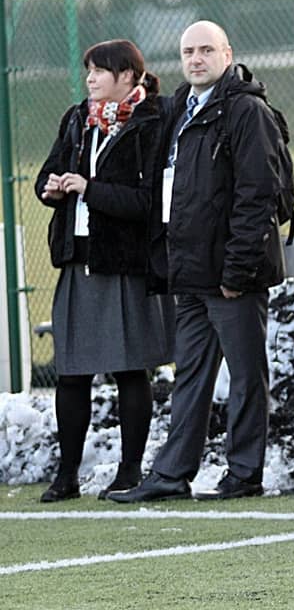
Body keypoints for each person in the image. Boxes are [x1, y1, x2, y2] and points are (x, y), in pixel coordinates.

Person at [110, 21, 286, 503]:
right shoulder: (179, 111)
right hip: (188, 272)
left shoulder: (246, 111)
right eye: (188, 51)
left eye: (207, 50)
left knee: (246, 375)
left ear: (227, 54)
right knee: (189, 374)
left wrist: (238, 270)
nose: (196, 59)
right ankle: (171, 474)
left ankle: (244, 474)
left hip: (231, 275)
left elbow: (258, 196)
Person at [35, 40, 175, 502]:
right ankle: (67, 475)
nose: (90, 79)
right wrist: (52, 188)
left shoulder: (152, 122)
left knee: (130, 370)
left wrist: (89, 189)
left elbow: (149, 202)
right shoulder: (77, 119)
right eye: (89, 71)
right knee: (71, 372)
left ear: (128, 75)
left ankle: (129, 471)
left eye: (99, 71)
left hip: (125, 263)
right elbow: (47, 175)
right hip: (77, 261)